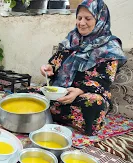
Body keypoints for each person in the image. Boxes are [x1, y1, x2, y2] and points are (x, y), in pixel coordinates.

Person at [40, 0, 126, 136]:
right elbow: (56, 62)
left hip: (84, 95)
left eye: (88, 18)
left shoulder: (110, 46)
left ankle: (51, 113)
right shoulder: (72, 39)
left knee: (93, 103)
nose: (81, 23)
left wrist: (79, 90)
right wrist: (49, 68)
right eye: (79, 18)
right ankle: (56, 112)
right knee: (28, 92)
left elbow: (105, 79)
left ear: (100, 19)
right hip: (61, 91)